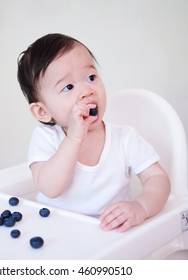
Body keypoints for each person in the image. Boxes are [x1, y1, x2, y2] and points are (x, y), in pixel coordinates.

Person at [17, 33, 170, 232]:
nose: (87, 90)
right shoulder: (46, 138)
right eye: (68, 87)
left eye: (91, 77)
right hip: (54, 232)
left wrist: (141, 206)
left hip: (107, 234)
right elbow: (49, 187)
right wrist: (74, 138)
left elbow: (157, 179)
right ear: (43, 111)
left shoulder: (125, 138)